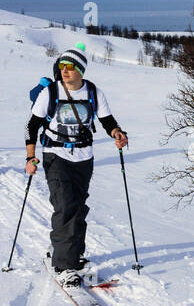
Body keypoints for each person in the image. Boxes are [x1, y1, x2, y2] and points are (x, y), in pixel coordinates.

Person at [24, 45, 128, 286]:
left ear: (80, 69)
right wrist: (30, 158)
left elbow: (107, 120)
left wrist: (116, 132)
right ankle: (63, 264)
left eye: (70, 67)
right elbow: (32, 125)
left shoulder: (93, 92)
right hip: (55, 154)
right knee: (65, 206)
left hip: (84, 157)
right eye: (62, 66)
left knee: (78, 206)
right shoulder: (49, 92)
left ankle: (75, 253)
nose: (65, 71)